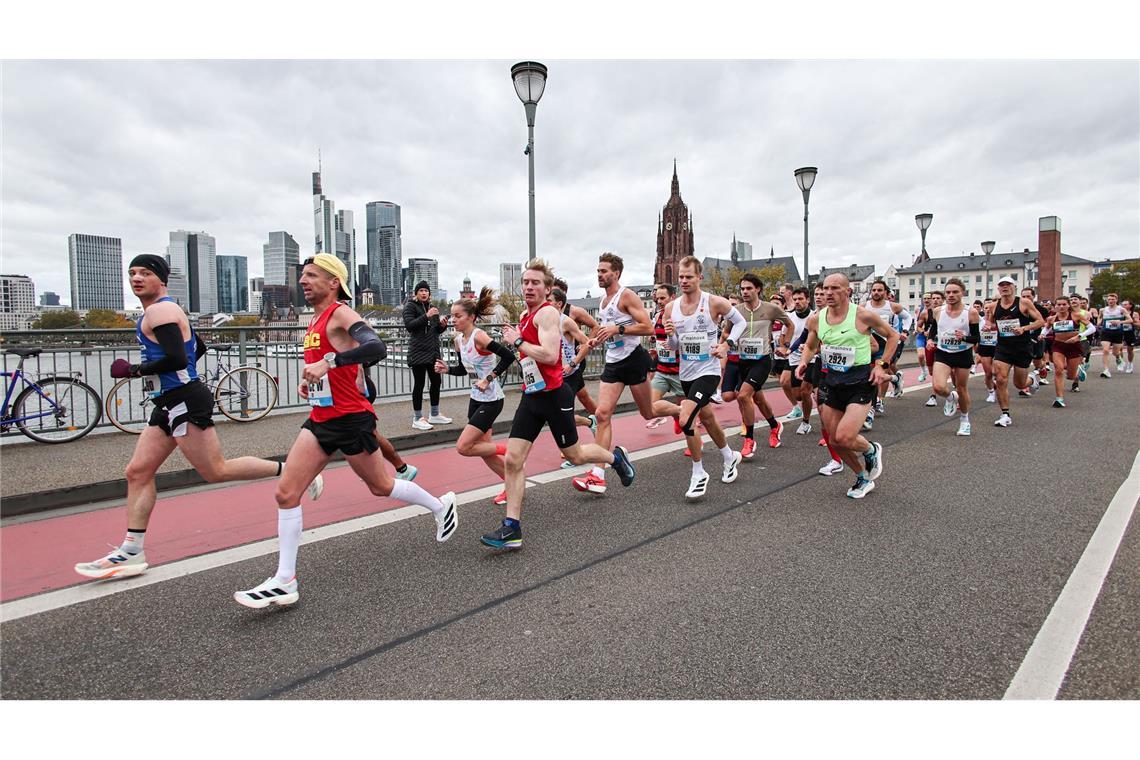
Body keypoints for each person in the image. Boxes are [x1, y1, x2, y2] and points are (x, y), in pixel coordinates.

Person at [75, 255, 324, 581]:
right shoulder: (162, 310)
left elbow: (178, 356)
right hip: (167, 402)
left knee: (216, 470)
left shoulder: (160, 311)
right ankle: (131, 550)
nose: (137, 278)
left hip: (184, 402)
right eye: (132, 273)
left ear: (160, 279)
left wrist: (134, 370)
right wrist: (170, 374)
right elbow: (199, 348)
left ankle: (294, 472)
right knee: (137, 471)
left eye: (145, 273)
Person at [234, 255, 456, 608]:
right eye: (302, 276)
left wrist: (330, 362)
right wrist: (310, 381)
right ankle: (284, 580)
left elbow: (376, 347)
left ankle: (440, 506)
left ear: (333, 282)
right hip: (322, 418)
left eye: (312, 276)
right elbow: (324, 366)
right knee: (286, 493)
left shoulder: (340, 314)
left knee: (381, 487)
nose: (303, 281)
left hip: (352, 418)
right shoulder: (314, 320)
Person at [481, 259, 636, 549]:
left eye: (535, 282)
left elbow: (550, 355)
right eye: (526, 282)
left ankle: (615, 458)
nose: (529, 286)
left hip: (554, 395)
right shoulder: (526, 317)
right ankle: (511, 528)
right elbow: (530, 356)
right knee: (514, 460)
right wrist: (516, 345)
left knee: (575, 456)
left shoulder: (548, 314)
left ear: (547, 288)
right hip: (532, 395)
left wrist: (516, 343)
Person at [796, 273, 897, 499]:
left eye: (835, 288)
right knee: (835, 440)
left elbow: (893, 336)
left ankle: (871, 449)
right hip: (832, 381)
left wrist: (882, 365)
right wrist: (803, 362)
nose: (829, 293)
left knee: (844, 437)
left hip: (859, 381)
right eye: (825, 289)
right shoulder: (816, 318)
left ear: (847, 291)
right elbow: (811, 346)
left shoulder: (862, 316)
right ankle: (862, 477)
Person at [656, 256, 745, 499]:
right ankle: (729, 456)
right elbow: (675, 346)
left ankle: (698, 473)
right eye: (681, 277)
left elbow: (740, 322)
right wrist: (671, 336)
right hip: (686, 372)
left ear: (699, 278)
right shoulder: (670, 308)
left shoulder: (714, 302)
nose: (684, 281)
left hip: (708, 371)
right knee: (706, 417)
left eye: (689, 276)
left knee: (686, 419)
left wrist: (726, 345)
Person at [571, 253, 656, 495]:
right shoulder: (602, 301)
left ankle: (680, 411)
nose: (599, 275)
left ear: (616, 273)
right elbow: (607, 332)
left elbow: (648, 327)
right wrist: (597, 339)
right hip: (613, 363)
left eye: (604, 271)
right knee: (602, 413)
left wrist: (618, 328)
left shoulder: (626, 295)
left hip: (634, 360)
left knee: (648, 412)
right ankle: (598, 474)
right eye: (598, 271)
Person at [434, 286, 516, 499]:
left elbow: (508, 357)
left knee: (464, 446)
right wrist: (447, 369)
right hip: (476, 398)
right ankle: (513, 486)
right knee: (485, 453)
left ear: (471, 317)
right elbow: (464, 369)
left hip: (492, 399)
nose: (453, 320)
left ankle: (510, 450)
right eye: (452, 316)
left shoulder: (480, 337)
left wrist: (489, 378)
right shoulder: (458, 340)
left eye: (458, 316)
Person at [734, 274, 793, 457]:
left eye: (749, 288)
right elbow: (728, 330)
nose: (745, 292)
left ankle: (749, 440)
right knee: (758, 399)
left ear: (758, 289)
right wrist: (724, 343)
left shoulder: (770, 309)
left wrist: (785, 346)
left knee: (744, 396)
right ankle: (775, 426)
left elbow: (789, 325)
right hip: (743, 360)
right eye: (742, 288)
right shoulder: (735, 310)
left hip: (762, 360)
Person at [927, 278, 981, 436]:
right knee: (938, 387)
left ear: (962, 293)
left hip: (963, 353)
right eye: (948, 292)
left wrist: (963, 338)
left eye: (955, 292)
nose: (951, 295)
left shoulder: (970, 312)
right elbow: (934, 329)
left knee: (962, 388)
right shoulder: (938, 311)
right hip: (943, 352)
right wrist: (930, 339)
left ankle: (965, 421)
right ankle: (950, 397)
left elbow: (976, 338)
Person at [991, 275, 1045, 427]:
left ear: (1014, 287)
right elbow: (992, 323)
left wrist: (1024, 328)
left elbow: (1040, 321)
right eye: (1001, 285)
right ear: (998, 288)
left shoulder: (1024, 303)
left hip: (1022, 347)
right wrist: (989, 327)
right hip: (1003, 347)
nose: (1004, 287)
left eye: (1008, 284)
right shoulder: (994, 306)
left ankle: (1032, 380)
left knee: (1020, 384)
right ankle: (1005, 414)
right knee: (1000, 379)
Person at [403, 280, 451, 430]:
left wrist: (442, 326)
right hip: (418, 351)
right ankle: (417, 418)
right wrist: (427, 316)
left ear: (429, 293)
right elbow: (410, 326)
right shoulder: (410, 306)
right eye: (421, 290)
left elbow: (435, 330)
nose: (424, 293)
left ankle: (434, 414)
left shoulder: (433, 308)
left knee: (436, 382)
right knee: (419, 384)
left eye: (426, 291)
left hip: (433, 351)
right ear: (416, 293)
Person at [552, 277, 602, 421]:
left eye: (556, 291)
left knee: (568, 400)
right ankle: (601, 420)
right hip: (558, 360)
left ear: (563, 294)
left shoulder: (574, 311)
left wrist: (584, 344)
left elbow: (595, 326)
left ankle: (594, 421)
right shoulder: (548, 312)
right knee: (584, 396)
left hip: (574, 359)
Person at [863, 280, 911, 418]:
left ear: (885, 292)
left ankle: (879, 400)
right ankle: (894, 378)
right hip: (870, 345)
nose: (876, 293)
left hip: (887, 347)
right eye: (874, 290)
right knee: (871, 374)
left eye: (879, 290)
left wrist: (905, 332)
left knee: (880, 370)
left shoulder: (893, 307)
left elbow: (908, 318)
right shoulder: (864, 306)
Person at [782, 287, 817, 435]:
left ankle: (806, 422)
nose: (797, 302)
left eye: (800, 299)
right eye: (795, 299)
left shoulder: (815, 316)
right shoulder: (789, 318)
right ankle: (807, 403)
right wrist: (786, 348)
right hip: (794, 359)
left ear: (808, 300)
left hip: (812, 358)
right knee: (797, 394)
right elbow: (786, 338)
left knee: (805, 391)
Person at [1045, 296, 1088, 408]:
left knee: (1070, 376)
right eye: (1059, 304)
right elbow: (1046, 329)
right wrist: (1042, 335)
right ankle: (1059, 398)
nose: (1061, 307)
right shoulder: (1052, 318)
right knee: (1058, 370)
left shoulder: (1076, 316)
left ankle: (1078, 370)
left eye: (1064, 304)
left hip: (1073, 345)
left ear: (1069, 305)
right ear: (1055, 307)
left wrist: (1079, 336)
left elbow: (1091, 328)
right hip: (1058, 346)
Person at [1098, 292, 1128, 378]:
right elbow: (1099, 318)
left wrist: (1120, 322)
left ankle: (1118, 358)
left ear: (1116, 300)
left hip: (1117, 332)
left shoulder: (1121, 309)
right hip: (1106, 332)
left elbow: (1130, 320)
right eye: (1109, 299)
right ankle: (1106, 370)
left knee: (1115, 352)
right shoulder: (1103, 310)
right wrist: (1099, 323)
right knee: (1105, 350)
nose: (1110, 301)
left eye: (1112, 299)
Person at [977, 298, 999, 404]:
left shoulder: (999, 320)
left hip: (998, 347)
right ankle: (991, 392)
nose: (988, 310)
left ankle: (998, 386)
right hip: (984, 346)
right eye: (986, 308)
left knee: (996, 372)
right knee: (988, 373)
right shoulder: (980, 320)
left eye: (990, 308)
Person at [914, 293, 932, 382]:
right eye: (924, 298)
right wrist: (923, 332)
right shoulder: (920, 310)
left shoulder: (937, 310)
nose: (926, 300)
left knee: (932, 360)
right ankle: (923, 371)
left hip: (933, 338)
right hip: (922, 337)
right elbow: (918, 326)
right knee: (921, 355)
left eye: (928, 298)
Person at [1122, 299, 1137, 373]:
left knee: (1129, 350)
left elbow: (1138, 324)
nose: (1123, 306)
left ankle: (1130, 364)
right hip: (1120, 332)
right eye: (1123, 304)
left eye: (1125, 304)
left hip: (1129, 332)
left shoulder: (1134, 314)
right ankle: (1120, 362)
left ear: (1130, 305)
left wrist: (1131, 321)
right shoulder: (1120, 313)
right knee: (1118, 348)